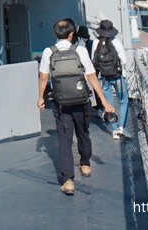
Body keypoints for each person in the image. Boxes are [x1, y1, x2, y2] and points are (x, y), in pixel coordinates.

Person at [37, 18, 115, 196]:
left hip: (60, 102)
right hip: (81, 100)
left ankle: (68, 181)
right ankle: (85, 164)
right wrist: (104, 102)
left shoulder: (48, 52)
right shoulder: (79, 50)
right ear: (72, 34)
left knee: (64, 139)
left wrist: (40, 98)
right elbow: (91, 76)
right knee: (83, 132)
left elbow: (43, 77)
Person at [93, 19, 129, 139]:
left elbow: (94, 60)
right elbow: (124, 61)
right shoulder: (116, 42)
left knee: (109, 104)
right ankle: (121, 127)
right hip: (118, 77)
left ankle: (114, 131)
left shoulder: (95, 43)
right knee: (123, 101)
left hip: (103, 78)